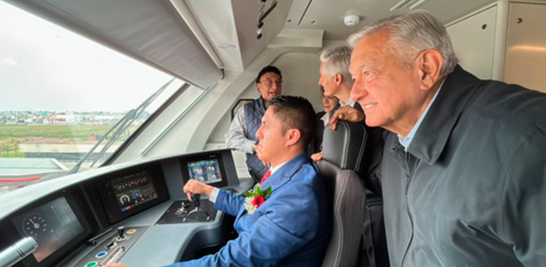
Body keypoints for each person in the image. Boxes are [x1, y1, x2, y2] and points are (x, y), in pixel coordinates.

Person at [347, 10, 546, 266]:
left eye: (368, 73)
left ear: (427, 69)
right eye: (354, 78)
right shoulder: (397, 139)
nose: (355, 92)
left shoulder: (526, 140)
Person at [105, 96, 331, 267]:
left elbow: (233, 261)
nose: (257, 133)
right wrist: (207, 190)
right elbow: (248, 205)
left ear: (291, 136)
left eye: (266, 125)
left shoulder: (297, 195)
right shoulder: (280, 173)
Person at [225, 66, 283, 181]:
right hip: (257, 175)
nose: (275, 86)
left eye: (278, 82)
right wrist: (256, 147)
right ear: (259, 86)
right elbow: (231, 139)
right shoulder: (246, 110)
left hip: (283, 173)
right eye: (269, 82)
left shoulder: (289, 109)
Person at [310, 88, 338, 160]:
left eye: (330, 97)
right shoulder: (317, 118)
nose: (325, 101)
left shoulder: (344, 122)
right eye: (324, 96)